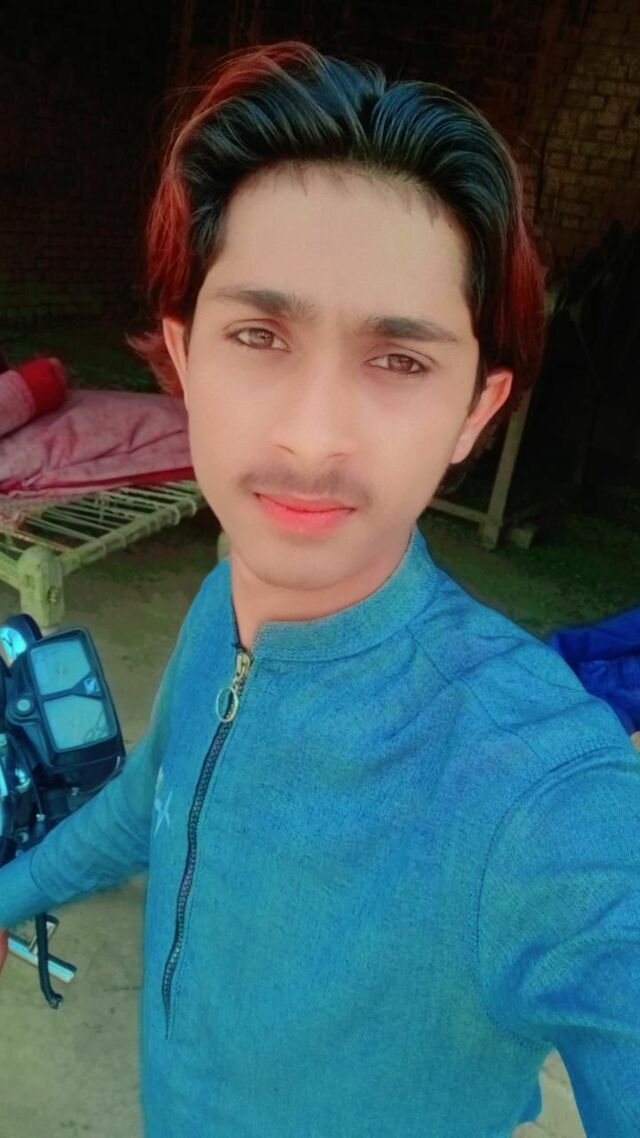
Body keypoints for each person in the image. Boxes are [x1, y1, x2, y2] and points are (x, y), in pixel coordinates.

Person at [1, 39, 639, 1138]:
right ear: (184, 360)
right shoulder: (221, 608)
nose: (310, 437)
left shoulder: (538, 790)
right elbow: (152, 799)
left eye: (399, 360)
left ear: (474, 414)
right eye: (259, 334)